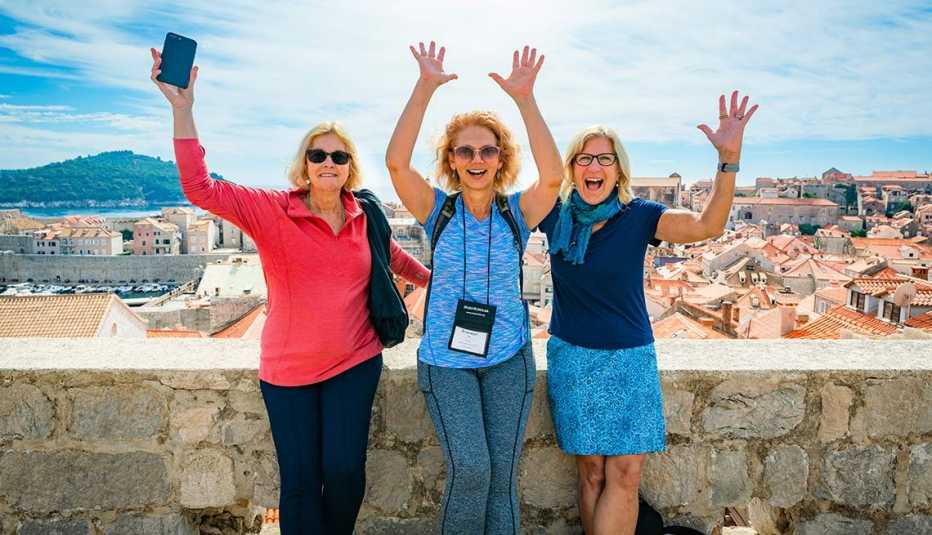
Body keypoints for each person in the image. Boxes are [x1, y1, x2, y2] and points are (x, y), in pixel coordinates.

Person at [149, 48, 430, 535]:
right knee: (300, 482)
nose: (328, 162)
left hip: (355, 361)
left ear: (349, 167)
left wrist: (455, 284)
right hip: (289, 371)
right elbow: (200, 188)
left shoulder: (365, 216)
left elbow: (396, 263)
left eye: (338, 156)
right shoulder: (272, 210)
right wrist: (182, 108)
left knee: (345, 475)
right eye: (318, 155)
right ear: (304, 165)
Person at [539, 92, 758, 535]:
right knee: (592, 473)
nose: (594, 168)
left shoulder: (639, 216)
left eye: (604, 158)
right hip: (574, 358)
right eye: (583, 159)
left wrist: (728, 160)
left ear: (619, 168)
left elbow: (707, 226)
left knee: (626, 474)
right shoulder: (553, 213)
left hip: (630, 359)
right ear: (570, 168)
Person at [384, 42, 564, 534]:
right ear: (453, 159)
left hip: (508, 357)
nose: (477, 157)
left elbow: (554, 177)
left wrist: (525, 100)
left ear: (500, 157)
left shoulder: (515, 213)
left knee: (502, 478)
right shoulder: (438, 209)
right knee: (472, 471)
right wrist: (424, 88)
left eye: (487, 149)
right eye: (465, 150)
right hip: (447, 361)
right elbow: (396, 164)